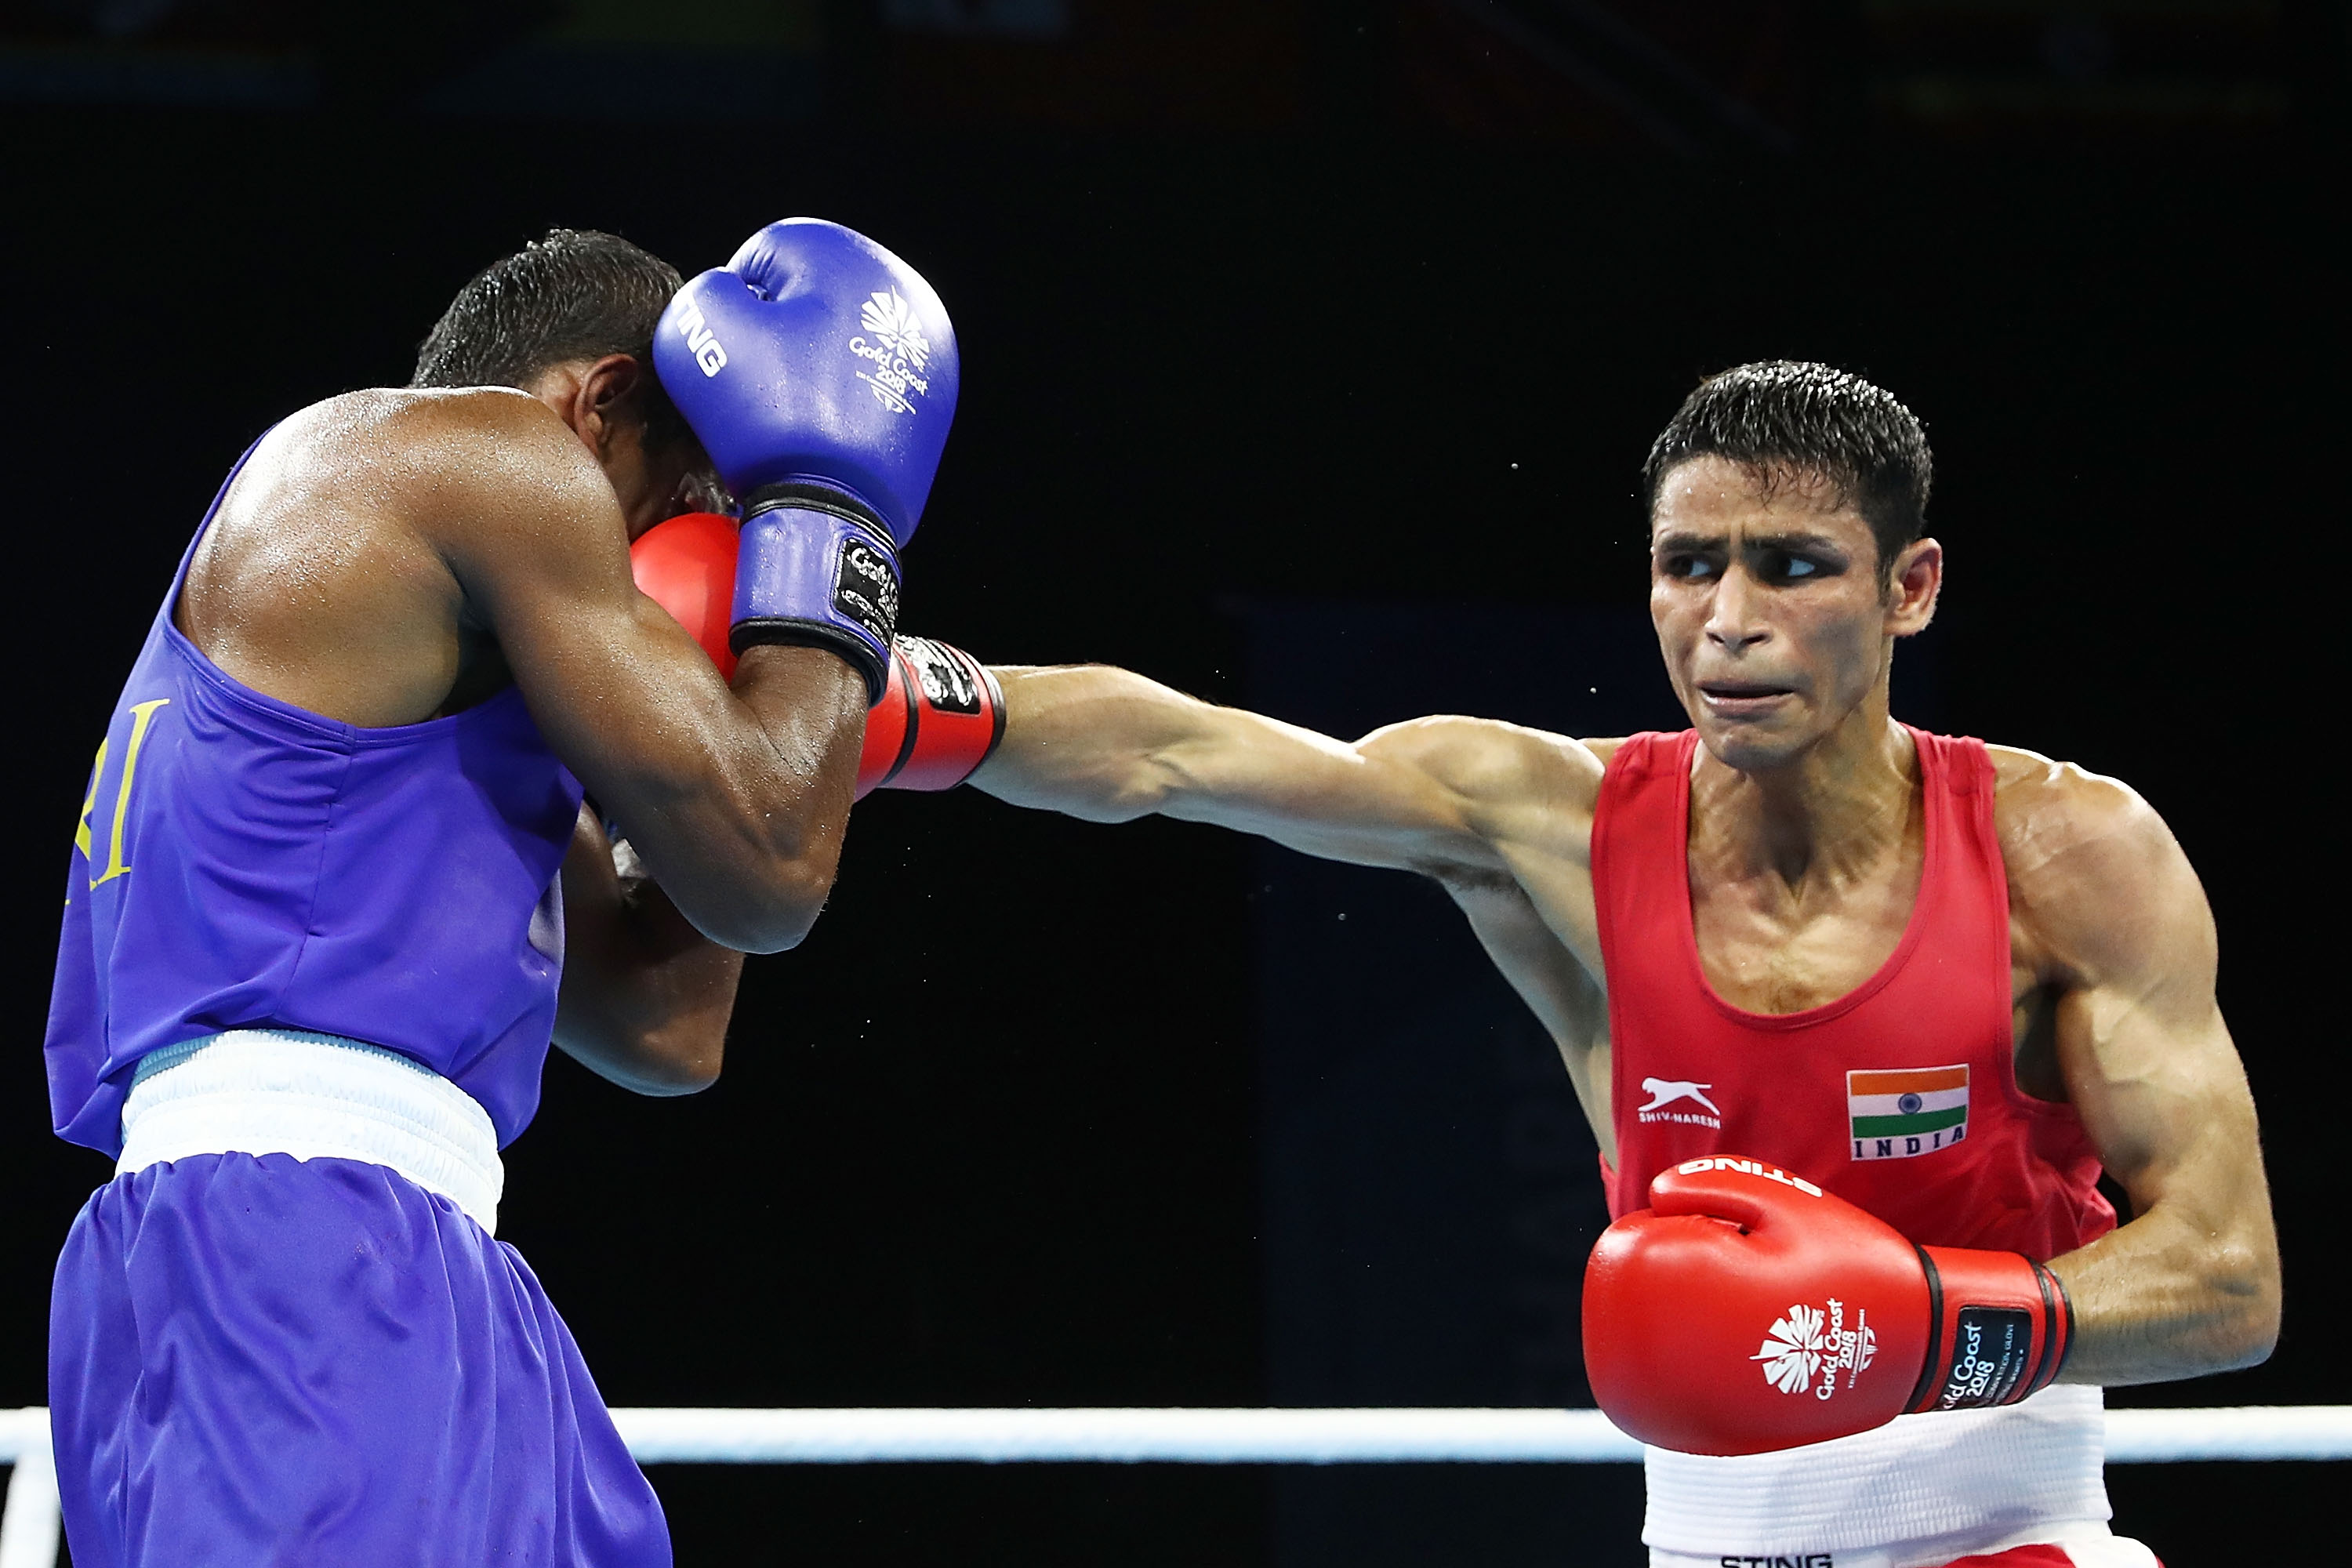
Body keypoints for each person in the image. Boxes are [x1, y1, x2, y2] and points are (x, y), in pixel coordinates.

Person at [936, 362, 2278, 1566]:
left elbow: (2229, 1281)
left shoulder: (2069, 854)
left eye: (1794, 567)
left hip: (2008, 1541)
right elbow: (1176, 753)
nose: (1729, 621)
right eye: (1689, 564)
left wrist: (1921, 1331)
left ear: (1909, 587)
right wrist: (904, 704)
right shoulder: (1551, 826)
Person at [43, 220, 959, 1566]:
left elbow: (667, 1029)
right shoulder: (487, 455)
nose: (688, 559)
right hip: (296, 1248)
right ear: (600, 401)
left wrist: (753, 717)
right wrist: (829, 528)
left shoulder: (432, 696)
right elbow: (771, 870)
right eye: (696, 501)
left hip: (397, 1252)